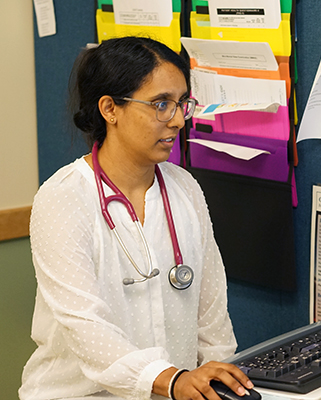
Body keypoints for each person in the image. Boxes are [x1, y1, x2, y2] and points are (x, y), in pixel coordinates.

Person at [19, 37, 253, 400]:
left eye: (181, 103)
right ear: (110, 109)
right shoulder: (64, 197)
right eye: (161, 104)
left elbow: (211, 314)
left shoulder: (184, 189)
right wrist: (171, 380)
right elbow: (86, 325)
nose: (177, 120)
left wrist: (223, 383)